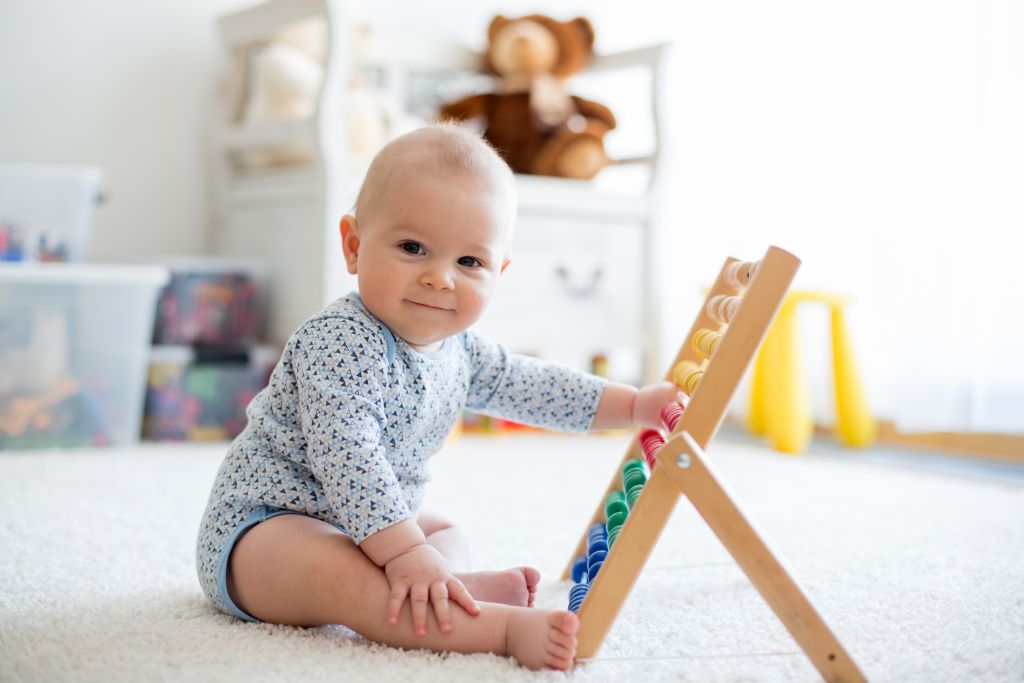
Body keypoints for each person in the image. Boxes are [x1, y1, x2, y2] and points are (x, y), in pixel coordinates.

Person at [195, 123, 680, 671]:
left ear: (499, 271)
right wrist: (404, 553)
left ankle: (448, 588)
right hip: (263, 532)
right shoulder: (339, 341)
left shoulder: (462, 350)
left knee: (444, 529)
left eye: (469, 262)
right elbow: (347, 457)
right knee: (353, 584)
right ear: (354, 246)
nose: (439, 278)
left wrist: (634, 405)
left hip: (369, 526)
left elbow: (537, 388)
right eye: (412, 248)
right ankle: (497, 630)